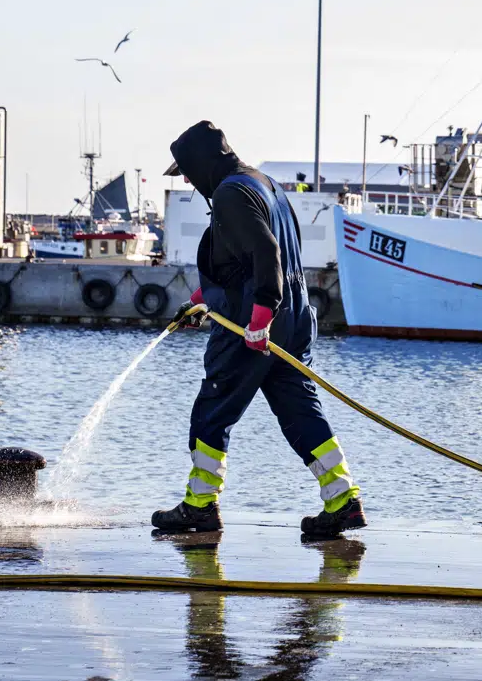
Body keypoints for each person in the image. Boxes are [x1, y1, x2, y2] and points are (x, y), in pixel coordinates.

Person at [156, 120, 366, 538]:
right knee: (299, 411)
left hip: (250, 329)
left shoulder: (231, 194)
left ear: (200, 164)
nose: (186, 181)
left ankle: (200, 505)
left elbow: (266, 253)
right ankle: (342, 499)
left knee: (213, 412)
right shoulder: (263, 183)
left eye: (185, 172)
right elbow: (246, 259)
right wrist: (203, 299)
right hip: (294, 321)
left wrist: (257, 321)